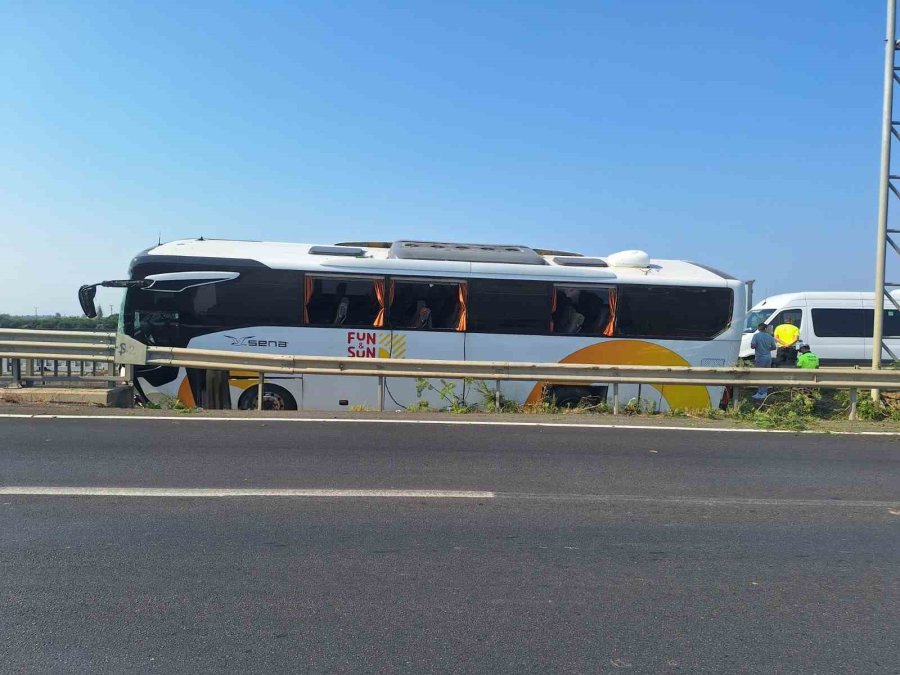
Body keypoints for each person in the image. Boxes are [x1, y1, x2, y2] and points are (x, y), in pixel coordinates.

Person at [750, 322, 776, 400]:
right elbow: (774, 347)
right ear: (765, 328)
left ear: (759, 328)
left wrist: (758, 346)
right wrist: (767, 348)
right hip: (768, 357)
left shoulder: (756, 336)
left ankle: (761, 393)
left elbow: (752, 346)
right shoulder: (770, 336)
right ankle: (764, 391)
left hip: (760, 357)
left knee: (760, 375)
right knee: (766, 374)